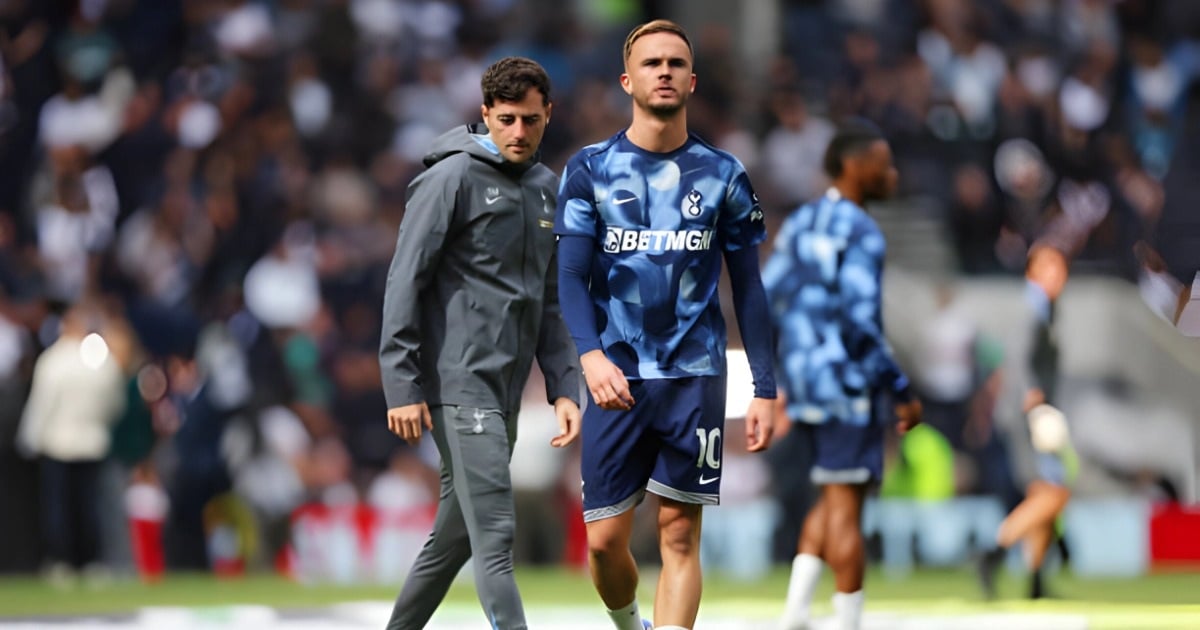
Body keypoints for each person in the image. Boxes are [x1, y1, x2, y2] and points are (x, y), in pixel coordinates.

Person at [555, 19, 777, 630]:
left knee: (680, 536)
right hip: (615, 379)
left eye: (676, 63)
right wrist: (590, 356)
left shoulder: (724, 174)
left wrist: (764, 386)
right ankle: (630, 623)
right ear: (628, 80)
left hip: (694, 376)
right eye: (651, 63)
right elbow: (570, 277)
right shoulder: (590, 169)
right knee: (603, 543)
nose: (664, 72)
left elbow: (750, 288)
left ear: (692, 80)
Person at [378, 56, 583, 630]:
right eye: (508, 118)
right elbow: (405, 281)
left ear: (549, 116)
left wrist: (565, 387)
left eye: (532, 120)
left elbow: (548, 300)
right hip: (457, 383)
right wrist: (401, 383)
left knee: (457, 537)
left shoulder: (546, 190)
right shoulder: (450, 179)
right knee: (495, 532)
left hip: (507, 390)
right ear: (487, 113)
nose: (519, 132)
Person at [763, 120, 922, 630]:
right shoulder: (860, 230)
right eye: (883, 162)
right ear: (854, 166)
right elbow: (859, 322)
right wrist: (899, 387)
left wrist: (786, 375)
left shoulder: (802, 222)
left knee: (831, 496)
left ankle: (795, 614)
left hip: (808, 381)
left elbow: (767, 295)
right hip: (849, 385)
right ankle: (848, 621)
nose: (892, 173)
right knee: (850, 507)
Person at [977, 243, 1078, 600]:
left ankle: (1035, 579)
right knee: (1054, 492)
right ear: (1032, 272)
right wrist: (1033, 397)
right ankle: (994, 549)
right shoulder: (1032, 307)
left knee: (1043, 494)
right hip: (1028, 416)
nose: (1058, 275)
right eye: (1049, 268)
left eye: (1060, 267)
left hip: (1034, 413)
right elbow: (1018, 356)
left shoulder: (1047, 308)